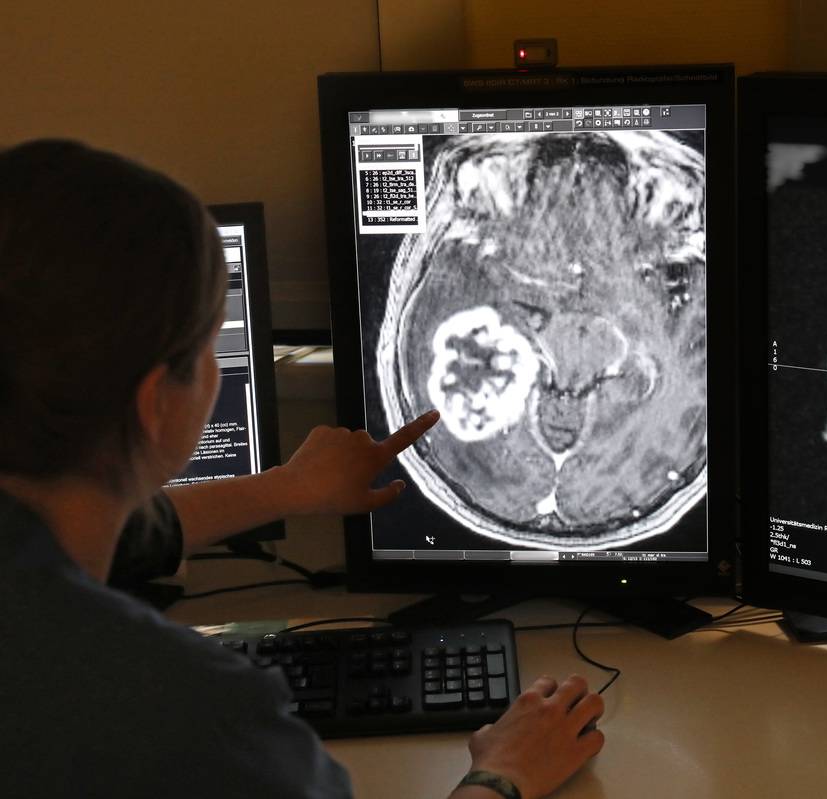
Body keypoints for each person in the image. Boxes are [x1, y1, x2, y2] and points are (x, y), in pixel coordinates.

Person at [0, 140, 604, 799]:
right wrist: (503, 773)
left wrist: (293, 487)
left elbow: (136, 533)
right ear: (155, 404)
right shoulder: (193, 721)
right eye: (210, 344)